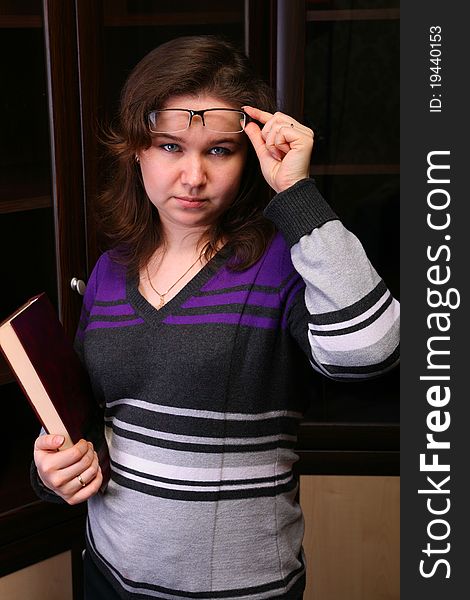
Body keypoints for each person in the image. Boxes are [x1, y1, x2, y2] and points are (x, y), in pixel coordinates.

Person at [31, 36, 400, 599]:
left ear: (248, 153)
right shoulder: (109, 270)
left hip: (239, 590)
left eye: (220, 150)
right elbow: (86, 420)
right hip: (108, 573)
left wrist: (296, 192)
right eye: (170, 146)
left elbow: (370, 352)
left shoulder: (285, 260)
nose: (193, 176)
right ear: (137, 149)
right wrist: (53, 468)